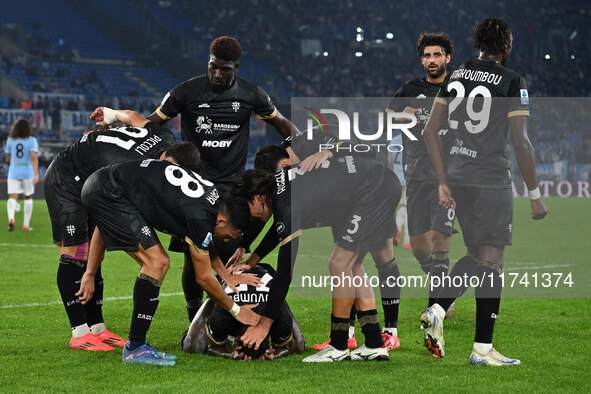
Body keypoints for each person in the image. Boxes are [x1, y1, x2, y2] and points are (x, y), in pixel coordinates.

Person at [421, 18, 548, 366]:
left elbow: (431, 131)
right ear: (505, 46)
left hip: (457, 178)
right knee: (493, 261)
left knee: (478, 255)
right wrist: (535, 194)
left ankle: (438, 307)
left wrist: (444, 181)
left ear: (477, 43)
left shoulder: (456, 76)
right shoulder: (512, 81)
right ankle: (482, 349)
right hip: (490, 179)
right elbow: (522, 143)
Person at [147, 36, 297, 324]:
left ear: (236, 67)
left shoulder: (252, 95)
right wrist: (120, 129)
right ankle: (195, 317)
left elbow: (285, 127)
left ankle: (229, 316)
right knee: (194, 256)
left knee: (233, 253)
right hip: (193, 187)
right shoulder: (185, 92)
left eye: (224, 69)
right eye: (213, 66)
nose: (216, 74)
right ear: (208, 61)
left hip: (233, 190)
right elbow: (152, 122)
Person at [77, 152, 261, 366]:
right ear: (221, 221)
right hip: (108, 191)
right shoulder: (201, 217)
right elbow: (202, 278)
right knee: (157, 262)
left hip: (105, 184)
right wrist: (236, 311)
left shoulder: (213, 199)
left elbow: (206, 241)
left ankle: (136, 346)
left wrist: (225, 275)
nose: (225, 240)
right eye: (228, 235)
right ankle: (135, 348)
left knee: (158, 261)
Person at [233, 145, 401, 362]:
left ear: (257, 198)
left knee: (339, 264)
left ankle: (339, 347)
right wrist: (253, 259)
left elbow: (284, 274)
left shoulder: (286, 206)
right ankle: (374, 344)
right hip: (377, 182)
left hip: (373, 189)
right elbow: (282, 228)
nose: (252, 218)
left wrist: (263, 326)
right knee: (352, 265)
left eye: (248, 210)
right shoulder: (279, 183)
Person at [45, 107, 177, 351]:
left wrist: (110, 113)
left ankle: (97, 327)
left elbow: (134, 117)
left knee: (94, 253)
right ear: (165, 157)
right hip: (66, 179)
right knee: (76, 254)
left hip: (94, 179)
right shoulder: (131, 169)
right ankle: (79, 331)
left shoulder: (165, 138)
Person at [386, 32, 458, 313]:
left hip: (448, 178)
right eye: (427, 55)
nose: (432, 60)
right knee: (418, 247)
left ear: (447, 58)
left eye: (437, 54)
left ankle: (438, 306)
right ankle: (444, 290)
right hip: (415, 177)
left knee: (441, 238)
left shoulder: (458, 90)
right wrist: (401, 115)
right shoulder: (409, 88)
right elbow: (386, 118)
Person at [181, 263, 306, 361]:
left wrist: (230, 355)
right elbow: (213, 347)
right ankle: (211, 299)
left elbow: (215, 348)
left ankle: (277, 301)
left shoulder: (280, 317)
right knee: (193, 345)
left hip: (262, 282)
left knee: (193, 347)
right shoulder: (222, 316)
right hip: (230, 277)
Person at [5, 118, 38, 231]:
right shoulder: (32, 140)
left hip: (13, 172)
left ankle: (11, 219)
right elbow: (33, 156)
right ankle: (25, 225)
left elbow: (7, 158)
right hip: (27, 173)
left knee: (12, 197)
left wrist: (13, 165)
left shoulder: (10, 140)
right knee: (28, 198)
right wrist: (36, 173)